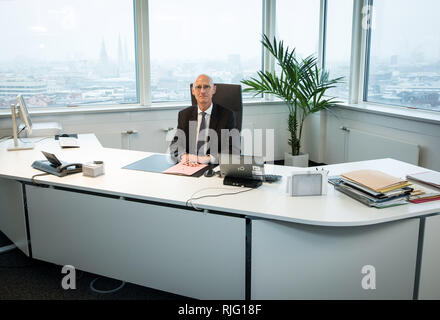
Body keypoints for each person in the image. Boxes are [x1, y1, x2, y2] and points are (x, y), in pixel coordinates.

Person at [169, 74, 239, 164]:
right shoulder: (184, 115)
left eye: (206, 87)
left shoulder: (227, 115)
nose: (202, 91)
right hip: (190, 165)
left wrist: (208, 159)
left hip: (213, 168)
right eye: (198, 87)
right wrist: (184, 156)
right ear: (193, 91)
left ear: (213, 89)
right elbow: (175, 146)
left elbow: (233, 150)